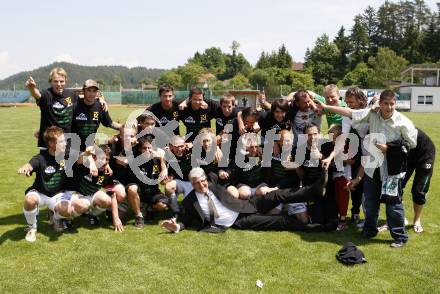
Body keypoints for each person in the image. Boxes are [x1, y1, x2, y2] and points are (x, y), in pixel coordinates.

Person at [316, 90, 418, 248]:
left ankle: (400, 237)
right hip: (371, 166)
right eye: (385, 103)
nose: (388, 107)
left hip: (392, 169)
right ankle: (370, 230)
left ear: (395, 104)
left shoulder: (403, 122)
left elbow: (412, 144)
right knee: (370, 201)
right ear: (380, 103)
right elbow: (350, 112)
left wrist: (389, 147)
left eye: (392, 104)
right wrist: (325, 106)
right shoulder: (373, 114)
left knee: (393, 203)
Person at [160, 167, 326, 233]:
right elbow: (185, 220)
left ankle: (312, 191)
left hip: (245, 205)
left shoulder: (211, 181)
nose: (201, 185)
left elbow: (222, 171)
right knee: (280, 221)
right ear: (192, 184)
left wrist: (224, 171)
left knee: (276, 195)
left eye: (202, 181)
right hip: (239, 220)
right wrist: (176, 227)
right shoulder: (190, 201)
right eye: (196, 183)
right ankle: (316, 228)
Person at [17, 126, 67, 242]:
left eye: (65, 140)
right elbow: (30, 164)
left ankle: (55, 218)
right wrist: (26, 168)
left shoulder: (67, 154)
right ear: (51, 143)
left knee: (67, 209)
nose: (65, 143)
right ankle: (32, 227)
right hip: (40, 192)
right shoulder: (40, 158)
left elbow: (80, 157)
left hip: (57, 195)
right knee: (30, 200)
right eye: (61, 141)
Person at [126, 136, 168, 228]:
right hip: (139, 191)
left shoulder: (156, 160)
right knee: (132, 189)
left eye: (149, 148)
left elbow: (161, 182)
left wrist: (161, 161)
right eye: (144, 148)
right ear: (140, 149)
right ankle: (139, 216)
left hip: (152, 191)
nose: (148, 150)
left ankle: (150, 208)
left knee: (163, 206)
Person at [401, 128, 435, 233]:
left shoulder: (402, 126)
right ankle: (400, 218)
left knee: (419, 191)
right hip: (407, 155)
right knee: (397, 185)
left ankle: (417, 221)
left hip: (425, 154)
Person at [72, 79, 121, 151]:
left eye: (94, 91)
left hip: (90, 146)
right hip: (73, 147)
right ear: (83, 91)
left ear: (97, 92)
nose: (91, 94)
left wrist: (123, 128)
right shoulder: (75, 105)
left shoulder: (100, 107)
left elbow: (110, 123)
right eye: (89, 90)